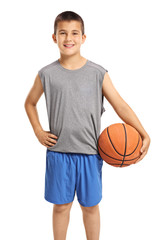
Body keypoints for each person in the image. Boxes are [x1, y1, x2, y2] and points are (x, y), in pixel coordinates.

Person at [24, 10, 150, 240]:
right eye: (62, 33)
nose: (68, 38)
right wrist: (38, 131)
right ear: (54, 38)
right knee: (61, 207)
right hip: (59, 152)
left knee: (90, 207)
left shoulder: (97, 73)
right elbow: (30, 103)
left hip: (91, 153)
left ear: (83, 37)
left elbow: (120, 105)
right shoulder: (46, 74)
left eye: (74, 33)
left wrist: (144, 133)